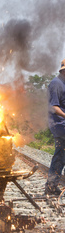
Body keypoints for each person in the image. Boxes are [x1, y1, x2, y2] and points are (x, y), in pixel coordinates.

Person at [45, 58, 65, 196]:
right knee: (60, 156)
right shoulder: (56, 84)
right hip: (60, 125)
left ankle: (52, 185)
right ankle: (51, 186)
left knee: (61, 155)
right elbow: (54, 107)